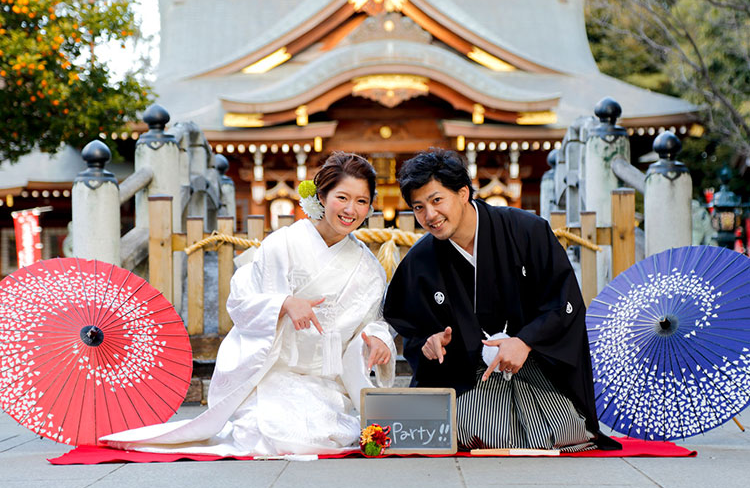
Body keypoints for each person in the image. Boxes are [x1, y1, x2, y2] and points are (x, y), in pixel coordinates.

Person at [101, 152, 396, 456]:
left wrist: (377, 338)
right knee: (270, 435)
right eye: (342, 197)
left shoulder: (368, 268)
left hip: (326, 380)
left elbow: (370, 321)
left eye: (361, 201)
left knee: (324, 435)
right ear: (321, 195)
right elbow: (242, 301)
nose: (351, 210)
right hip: (271, 373)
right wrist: (283, 303)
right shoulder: (282, 244)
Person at [383, 149, 620, 452]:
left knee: (561, 430)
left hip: (533, 365)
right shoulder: (421, 260)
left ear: (463, 193)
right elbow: (407, 324)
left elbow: (565, 303)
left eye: (436, 200)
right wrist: (428, 344)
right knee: (464, 429)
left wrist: (525, 341)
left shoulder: (526, 231)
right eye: (418, 207)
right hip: (469, 376)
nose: (429, 215)